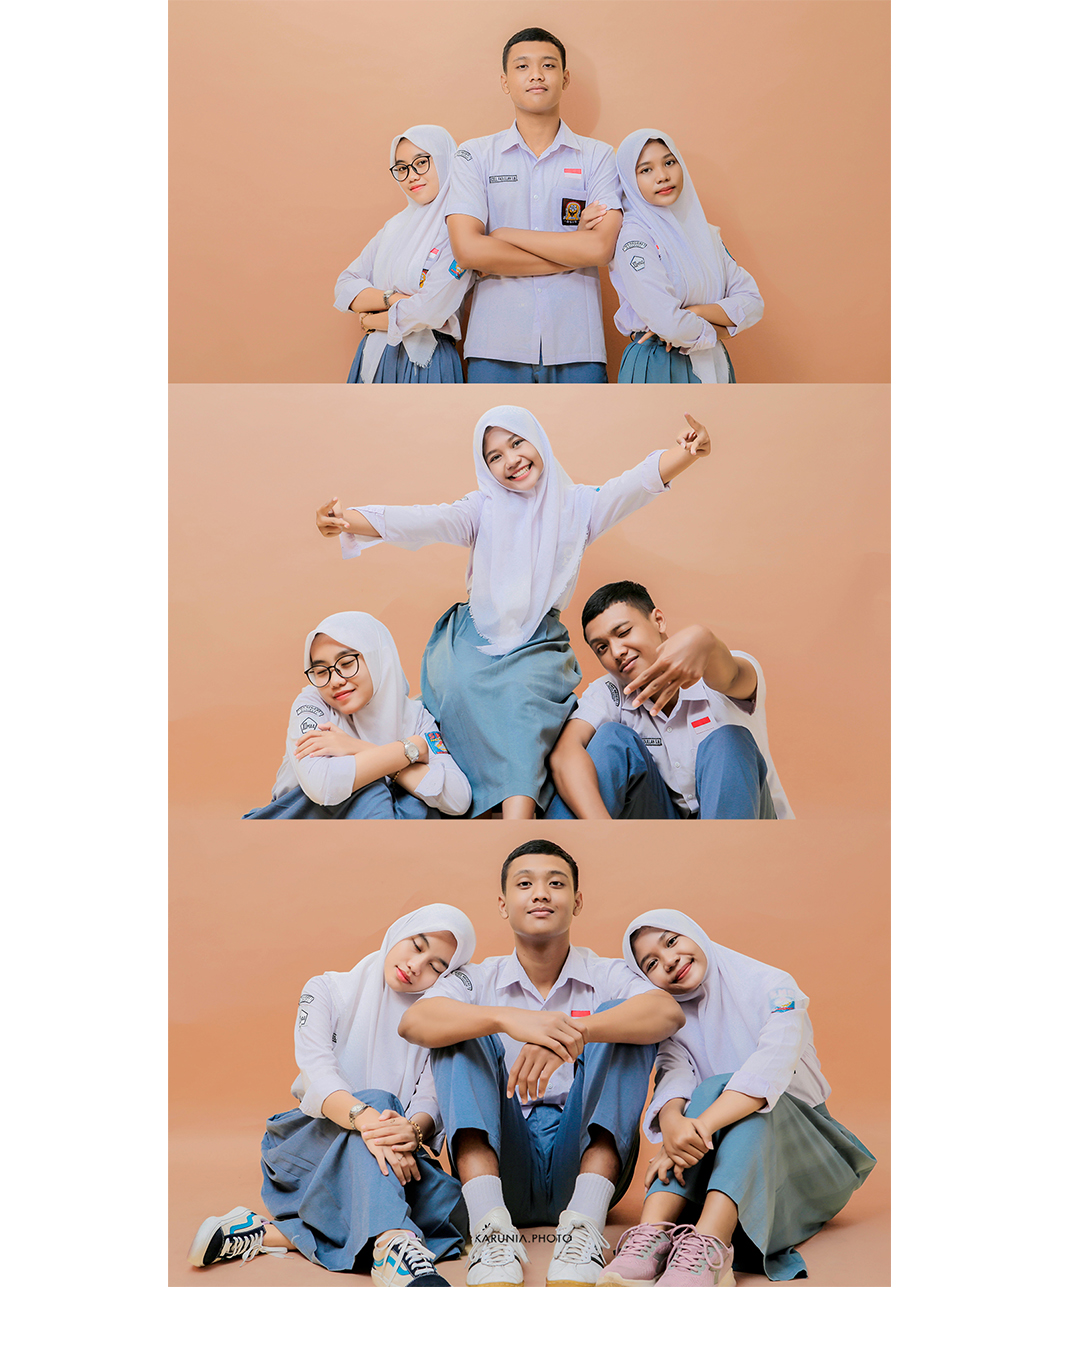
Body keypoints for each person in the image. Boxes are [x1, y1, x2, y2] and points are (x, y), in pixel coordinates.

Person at [314, 409, 712, 819]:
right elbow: (422, 520)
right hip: (471, 638)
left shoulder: (578, 507)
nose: (511, 460)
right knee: (457, 691)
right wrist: (348, 520)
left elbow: (634, 485)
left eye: (517, 443)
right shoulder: (481, 509)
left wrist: (684, 453)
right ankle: (470, 802)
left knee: (522, 707)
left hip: (536, 643)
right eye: (494, 456)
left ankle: (517, 824)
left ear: (537, 440)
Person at [398, 842, 684, 1287]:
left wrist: (573, 1034)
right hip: (503, 1158)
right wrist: (509, 1020)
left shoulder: (605, 972)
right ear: (503, 904)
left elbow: (667, 1012)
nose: (541, 894)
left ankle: (584, 1227)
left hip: (585, 1158)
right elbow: (416, 1021)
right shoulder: (479, 977)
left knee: (624, 1021)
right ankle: (490, 1230)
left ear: (577, 901)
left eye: (556, 883)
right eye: (525, 884)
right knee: (460, 1030)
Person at [187, 905, 478, 1287]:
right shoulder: (326, 989)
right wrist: (374, 1121)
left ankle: (274, 1234)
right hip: (305, 1149)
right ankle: (393, 1241)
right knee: (379, 1100)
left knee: (456, 1208)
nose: (416, 964)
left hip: (391, 1157)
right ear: (399, 931)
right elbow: (320, 1075)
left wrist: (412, 1134)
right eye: (416, 944)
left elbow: (429, 1099)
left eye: (437, 966)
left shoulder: (434, 1019)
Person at [597, 909, 876, 1286]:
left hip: (809, 1160)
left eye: (672, 941)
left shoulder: (773, 986)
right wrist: (674, 1124)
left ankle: (712, 1246)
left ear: (694, 932)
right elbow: (673, 1072)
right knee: (701, 1099)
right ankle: (649, 1240)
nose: (670, 960)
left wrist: (691, 1131)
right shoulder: (675, 1014)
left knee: (730, 1092)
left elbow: (770, 1067)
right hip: (725, 1165)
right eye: (652, 963)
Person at [444, 28, 622, 382]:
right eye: (523, 66)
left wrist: (503, 236)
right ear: (505, 81)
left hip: (577, 344)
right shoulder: (473, 155)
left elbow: (601, 247)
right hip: (494, 345)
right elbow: (466, 250)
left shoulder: (599, 156)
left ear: (565, 78)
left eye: (549, 65)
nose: (536, 74)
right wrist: (572, 251)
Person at [547, 581, 791, 819]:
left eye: (623, 632)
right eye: (601, 647)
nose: (616, 651)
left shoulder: (717, 669)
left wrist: (704, 639)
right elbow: (565, 754)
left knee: (727, 740)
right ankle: (548, 854)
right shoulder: (610, 691)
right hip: (664, 831)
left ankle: (724, 857)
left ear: (659, 621)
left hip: (750, 825)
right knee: (610, 738)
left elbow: (732, 676)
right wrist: (601, 828)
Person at [243, 612, 471, 820]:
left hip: (376, 834)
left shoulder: (416, 717)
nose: (335, 681)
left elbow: (458, 799)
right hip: (298, 823)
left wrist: (356, 747)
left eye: (347, 663)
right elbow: (323, 787)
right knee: (370, 789)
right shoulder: (312, 705)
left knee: (409, 803)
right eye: (321, 672)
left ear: (378, 659)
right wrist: (410, 750)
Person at [609, 130, 763, 383]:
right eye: (645, 170)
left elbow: (753, 303)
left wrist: (697, 311)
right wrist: (723, 329)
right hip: (659, 360)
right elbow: (669, 325)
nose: (662, 176)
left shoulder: (706, 234)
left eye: (669, 162)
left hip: (715, 361)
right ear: (629, 180)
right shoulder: (634, 237)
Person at [334, 126, 472, 383]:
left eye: (421, 163)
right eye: (401, 168)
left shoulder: (459, 228)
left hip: (427, 360)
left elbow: (430, 311)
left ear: (444, 160)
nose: (411, 176)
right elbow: (344, 286)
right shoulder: (394, 227)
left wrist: (372, 320)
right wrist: (394, 298)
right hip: (374, 357)